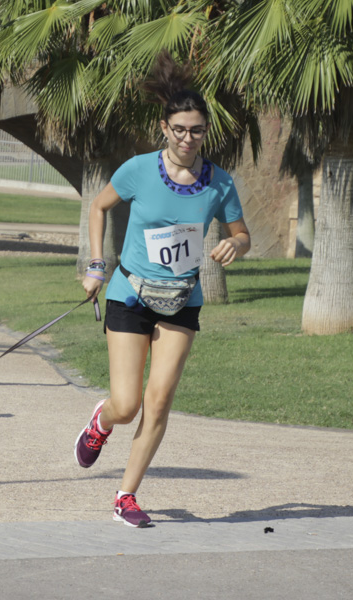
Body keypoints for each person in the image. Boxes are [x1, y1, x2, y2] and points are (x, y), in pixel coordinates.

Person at [73, 57, 251, 527]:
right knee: (127, 404)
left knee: (159, 400)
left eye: (195, 130)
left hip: (182, 301)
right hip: (130, 293)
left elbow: (242, 233)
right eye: (179, 129)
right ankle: (101, 422)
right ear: (164, 127)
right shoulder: (139, 170)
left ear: (205, 131)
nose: (187, 139)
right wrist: (95, 265)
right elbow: (98, 207)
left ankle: (126, 496)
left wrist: (235, 242)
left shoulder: (220, 183)